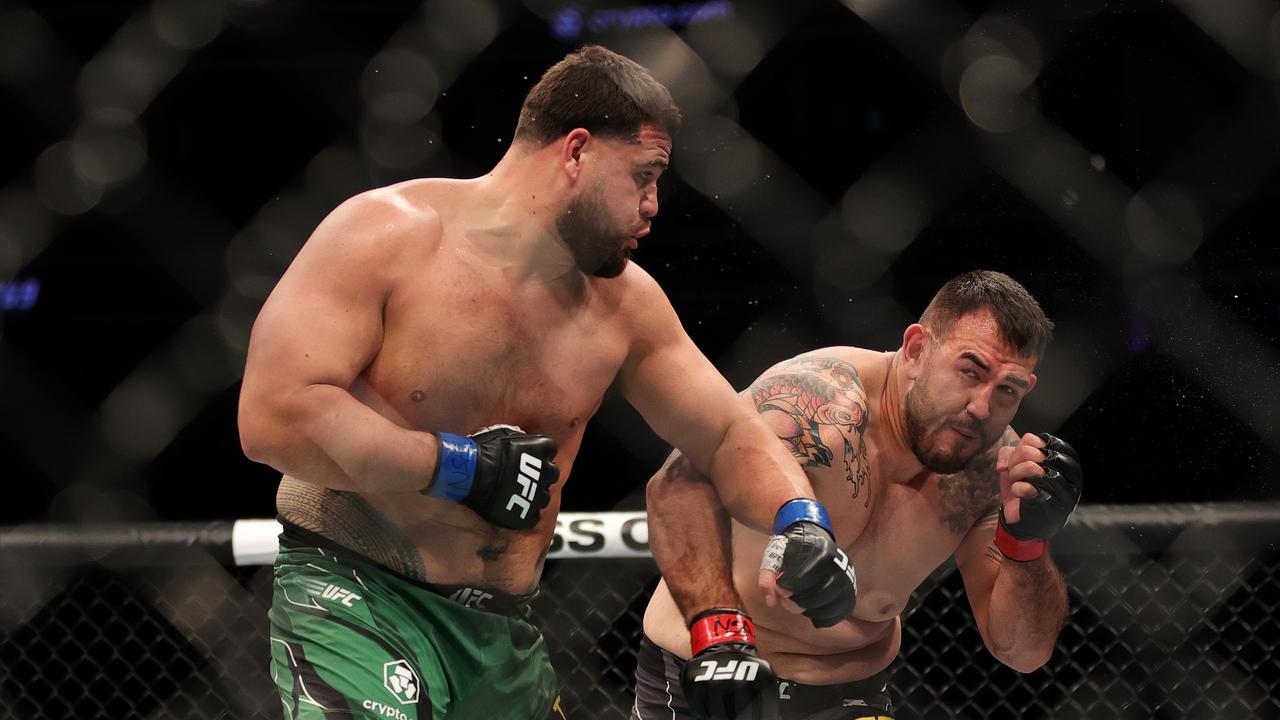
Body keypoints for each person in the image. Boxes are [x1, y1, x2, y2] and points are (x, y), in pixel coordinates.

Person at [238, 45, 855, 720]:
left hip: (503, 634)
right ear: (577, 152)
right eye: (643, 178)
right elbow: (274, 417)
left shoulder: (625, 306)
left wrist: (801, 520)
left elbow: (728, 430)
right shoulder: (389, 236)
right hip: (356, 594)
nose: (653, 207)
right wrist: (457, 469)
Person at [634, 270, 1082, 719]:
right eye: (970, 371)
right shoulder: (812, 404)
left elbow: (1023, 652)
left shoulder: (992, 470)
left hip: (848, 696)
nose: (982, 407)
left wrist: (1027, 544)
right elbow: (676, 486)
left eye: (1007, 389)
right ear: (916, 350)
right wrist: (720, 635)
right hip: (714, 676)